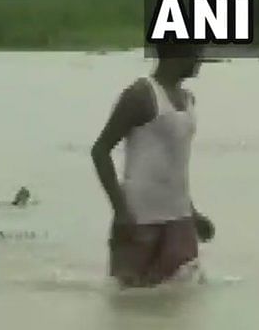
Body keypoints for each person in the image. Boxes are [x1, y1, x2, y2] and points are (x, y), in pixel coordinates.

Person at [91, 42, 215, 288]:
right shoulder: (141, 95)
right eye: (196, 53)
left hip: (179, 219)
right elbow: (100, 151)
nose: (201, 60)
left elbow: (173, 164)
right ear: (176, 53)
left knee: (182, 309)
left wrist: (193, 212)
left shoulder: (188, 99)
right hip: (140, 220)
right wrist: (121, 211)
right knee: (129, 302)